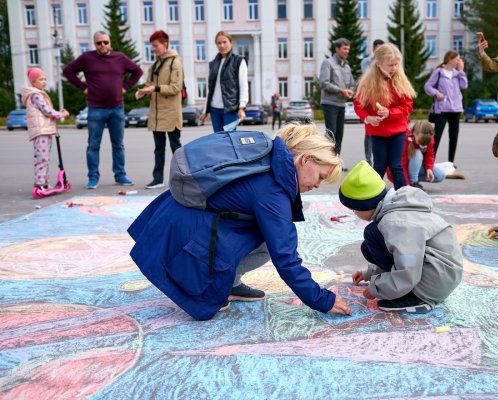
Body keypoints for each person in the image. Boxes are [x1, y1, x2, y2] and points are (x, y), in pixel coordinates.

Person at [128, 123, 352, 321]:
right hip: (183, 233)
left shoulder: (269, 157)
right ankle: (218, 285)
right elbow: (286, 258)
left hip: (177, 217)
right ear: (306, 160)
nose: (317, 185)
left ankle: (229, 282)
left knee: (267, 236)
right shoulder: (272, 192)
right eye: (321, 177)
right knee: (270, 245)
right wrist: (322, 300)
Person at [338, 161, 463, 312]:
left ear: (365, 205)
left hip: (436, 283)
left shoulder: (396, 222)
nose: (355, 214)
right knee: (369, 245)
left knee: (372, 234)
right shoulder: (397, 207)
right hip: (441, 273)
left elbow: (407, 266)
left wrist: (377, 288)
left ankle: (418, 298)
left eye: (354, 210)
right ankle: (407, 288)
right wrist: (369, 273)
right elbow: (402, 254)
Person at [63, 31, 142, 189]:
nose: (102, 45)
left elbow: (137, 71)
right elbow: (67, 71)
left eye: (105, 42)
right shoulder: (87, 58)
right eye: (99, 43)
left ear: (109, 42)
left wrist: (126, 87)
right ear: (95, 44)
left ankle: (120, 175)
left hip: (117, 108)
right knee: (93, 145)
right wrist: (83, 87)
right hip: (96, 108)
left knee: (118, 145)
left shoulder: (119, 57)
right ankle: (93, 177)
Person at [353, 43, 415, 189]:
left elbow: (407, 106)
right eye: (390, 65)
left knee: (396, 166)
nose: (394, 68)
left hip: (398, 131)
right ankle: (372, 199)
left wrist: (390, 113)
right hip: (377, 132)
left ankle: (403, 197)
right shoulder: (368, 83)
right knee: (379, 166)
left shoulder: (400, 80)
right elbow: (358, 105)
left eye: (396, 64)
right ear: (379, 63)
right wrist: (368, 118)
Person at [135, 30, 183, 190]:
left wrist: (154, 88)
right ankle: (158, 179)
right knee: (158, 148)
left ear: (165, 44)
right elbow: (149, 84)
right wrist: (142, 91)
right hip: (156, 114)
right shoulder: (155, 64)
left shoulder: (174, 63)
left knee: (176, 148)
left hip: (171, 113)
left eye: (156, 45)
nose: (153, 49)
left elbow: (175, 88)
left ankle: (183, 177)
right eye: (152, 46)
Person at [20, 68, 70, 190]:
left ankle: (44, 182)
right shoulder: (36, 95)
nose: (44, 82)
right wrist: (60, 114)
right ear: (33, 82)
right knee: (42, 158)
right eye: (41, 79)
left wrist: (57, 113)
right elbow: (46, 110)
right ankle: (40, 184)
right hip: (41, 131)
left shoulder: (38, 94)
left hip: (44, 130)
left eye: (45, 79)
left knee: (44, 158)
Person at [424, 51, 468, 164]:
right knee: (436, 136)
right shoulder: (439, 72)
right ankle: (430, 163)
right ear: (450, 59)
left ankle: (450, 163)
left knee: (454, 137)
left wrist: (461, 71)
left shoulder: (457, 73)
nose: (459, 61)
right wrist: (436, 93)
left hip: (456, 109)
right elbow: (427, 86)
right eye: (457, 59)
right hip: (442, 109)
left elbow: (464, 85)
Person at [199, 31, 248, 132]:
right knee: (219, 140)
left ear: (231, 43)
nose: (222, 45)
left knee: (229, 140)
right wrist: (205, 111)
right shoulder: (213, 64)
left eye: (224, 42)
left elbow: (243, 85)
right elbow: (210, 90)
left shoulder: (238, 61)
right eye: (219, 43)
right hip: (214, 110)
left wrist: (242, 107)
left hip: (230, 109)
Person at [319, 38, 356, 156]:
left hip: (341, 104)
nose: (347, 52)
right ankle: (328, 160)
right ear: (337, 49)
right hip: (329, 103)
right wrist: (340, 91)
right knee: (331, 134)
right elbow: (323, 83)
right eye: (344, 49)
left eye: (348, 49)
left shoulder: (347, 66)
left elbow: (352, 84)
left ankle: (336, 160)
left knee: (340, 134)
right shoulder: (328, 63)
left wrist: (350, 91)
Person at [360, 39, 384, 165]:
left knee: (382, 130)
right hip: (370, 98)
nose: (379, 51)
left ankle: (380, 158)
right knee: (369, 130)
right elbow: (367, 77)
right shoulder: (366, 62)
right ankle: (369, 159)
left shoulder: (386, 63)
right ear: (374, 49)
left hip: (383, 99)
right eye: (378, 49)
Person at [403, 120, 446, 190]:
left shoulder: (428, 138)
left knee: (440, 176)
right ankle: (413, 182)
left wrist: (429, 168)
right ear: (414, 133)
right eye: (420, 142)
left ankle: (413, 179)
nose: (423, 146)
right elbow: (401, 164)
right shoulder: (405, 139)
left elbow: (430, 155)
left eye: (426, 144)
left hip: (414, 166)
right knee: (417, 154)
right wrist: (406, 184)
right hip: (400, 171)